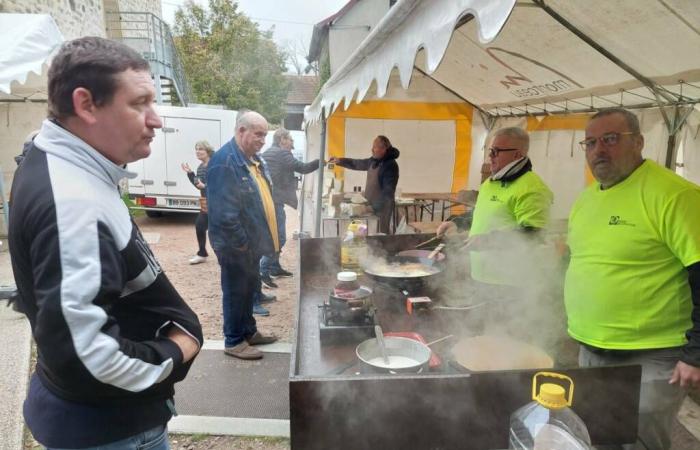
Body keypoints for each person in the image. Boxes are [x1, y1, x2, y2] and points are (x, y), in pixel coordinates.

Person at [7, 36, 203, 450]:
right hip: (111, 431)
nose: (156, 120)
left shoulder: (59, 158)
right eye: (139, 103)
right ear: (86, 104)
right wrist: (173, 352)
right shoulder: (73, 204)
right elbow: (87, 358)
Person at [565, 107, 700, 450]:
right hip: (591, 348)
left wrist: (696, 354)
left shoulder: (674, 195)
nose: (599, 150)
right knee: (596, 433)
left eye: (610, 139)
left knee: (640, 441)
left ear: (639, 142)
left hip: (651, 355)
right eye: (590, 143)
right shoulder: (587, 198)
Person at [437, 127, 553, 287]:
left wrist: (489, 241)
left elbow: (533, 234)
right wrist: (457, 222)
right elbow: (482, 213)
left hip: (509, 282)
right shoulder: (491, 182)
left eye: (496, 151)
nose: (490, 156)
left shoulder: (532, 188)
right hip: (482, 274)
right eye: (490, 150)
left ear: (518, 155)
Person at [207, 110, 279, 360]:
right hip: (235, 246)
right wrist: (241, 245)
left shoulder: (248, 159)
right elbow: (224, 215)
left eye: (265, 135)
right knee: (236, 290)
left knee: (248, 289)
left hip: (249, 244)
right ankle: (234, 340)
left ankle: (248, 331)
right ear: (241, 131)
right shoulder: (225, 162)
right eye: (258, 134)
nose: (263, 140)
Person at [259, 128, 320, 285]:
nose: (292, 142)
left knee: (273, 234)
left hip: (267, 199)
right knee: (278, 237)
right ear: (282, 140)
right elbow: (303, 168)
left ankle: (274, 267)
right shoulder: (282, 153)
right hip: (275, 200)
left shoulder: (268, 152)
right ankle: (263, 270)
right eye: (290, 139)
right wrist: (322, 161)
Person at [328, 135, 399, 234]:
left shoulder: (390, 165)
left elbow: (388, 192)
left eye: (375, 147)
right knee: (367, 236)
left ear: (384, 149)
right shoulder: (373, 161)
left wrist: (372, 207)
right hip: (370, 205)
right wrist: (340, 161)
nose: (372, 150)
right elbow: (357, 163)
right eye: (373, 147)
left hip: (382, 209)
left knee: (380, 236)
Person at [181, 140, 214, 264]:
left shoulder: (214, 165)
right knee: (200, 226)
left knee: (220, 231)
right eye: (196, 149)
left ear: (208, 151)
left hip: (218, 203)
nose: (197, 151)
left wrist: (205, 187)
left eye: (201, 149)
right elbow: (198, 185)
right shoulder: (201, 167)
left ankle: (231, 255)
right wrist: (190, 173)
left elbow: (221, 185)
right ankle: (202, 253)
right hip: (206, 204)